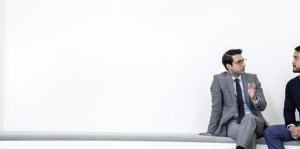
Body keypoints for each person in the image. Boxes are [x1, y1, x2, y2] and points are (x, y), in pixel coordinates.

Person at [200, 49, 268, 149]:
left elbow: (263, 106)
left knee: (249, 118)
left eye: (243, 60)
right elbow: (216, 108)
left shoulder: (252, 78)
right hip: (233, 123)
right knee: (250, 134)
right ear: (228, 66)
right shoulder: (219, 80)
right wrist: (211, 131)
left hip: (256, 121)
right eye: (239, 62)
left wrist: (254, 98)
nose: (243, 64)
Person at [264, 46, 300, 149]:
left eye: (296, 58)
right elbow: (288, 111)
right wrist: (292, 127)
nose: (293, 62)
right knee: (271, 132)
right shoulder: (292, 85)